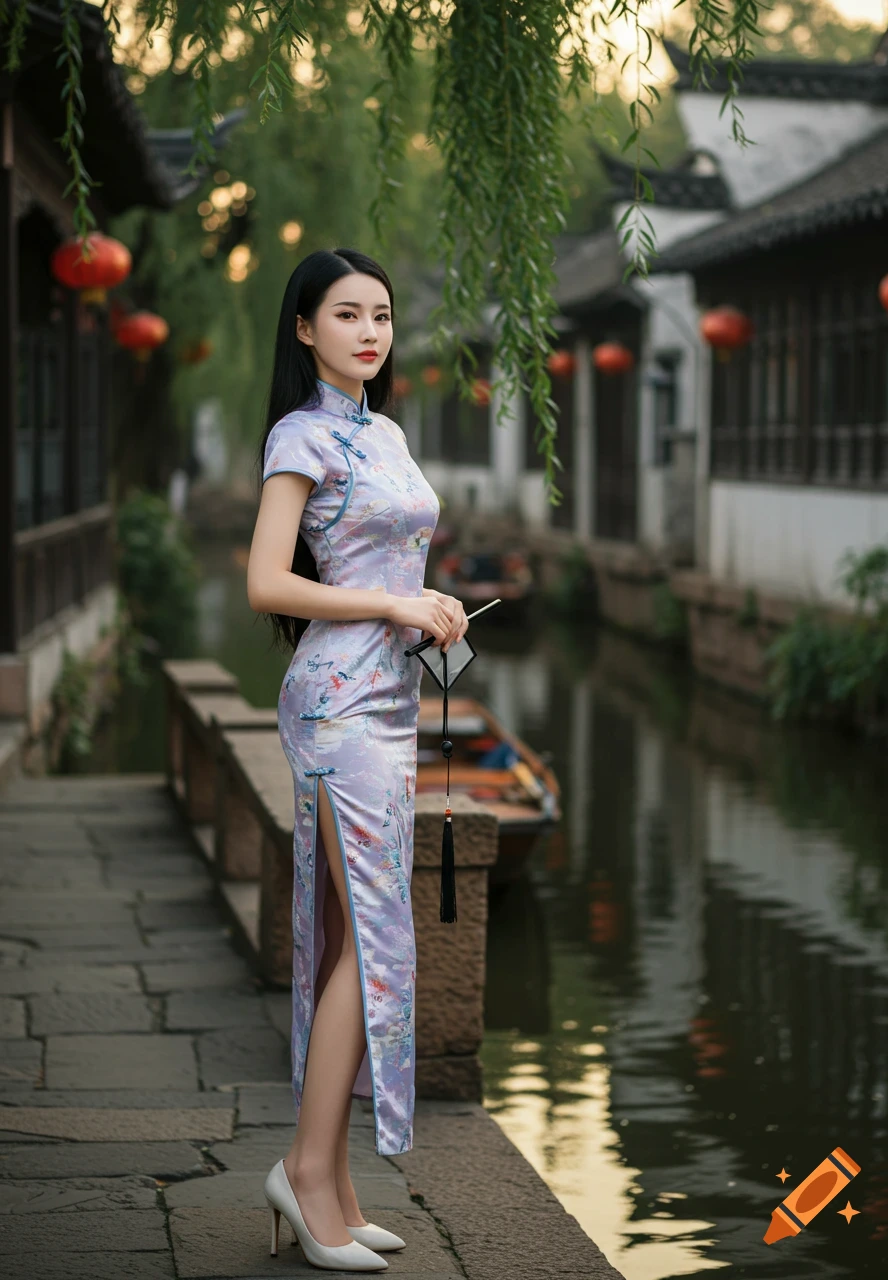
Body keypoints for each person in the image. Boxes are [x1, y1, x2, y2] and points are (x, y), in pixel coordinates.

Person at [246, 247, 468, 1272]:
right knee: (373, 938)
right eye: (346, 314)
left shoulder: (385, 431)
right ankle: (305, 1173)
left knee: (350, 932)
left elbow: (392, 562)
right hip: (336, 702)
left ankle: (330, 1183)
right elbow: (267, 582)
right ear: (305, 329)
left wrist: (429, 603)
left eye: (380, 313)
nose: (370, 330)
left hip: (390, 698)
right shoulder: (299, 434)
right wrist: (389, 604)